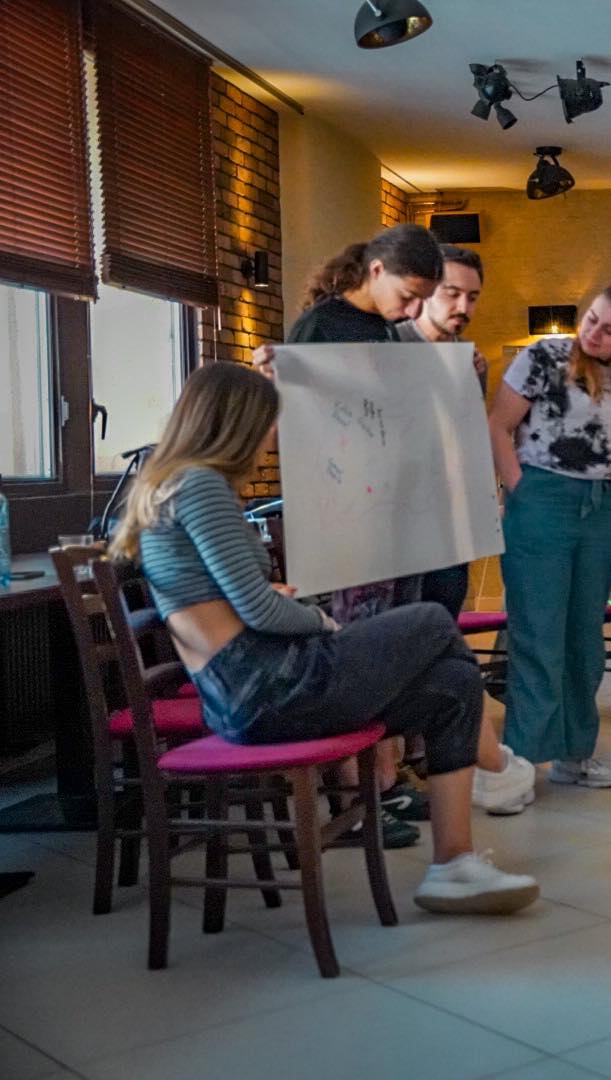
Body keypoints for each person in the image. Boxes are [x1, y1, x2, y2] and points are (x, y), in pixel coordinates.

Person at [109, 363, 538, 915]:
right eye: (267, 422)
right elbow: (257, 608)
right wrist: (323, 623)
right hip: (270, 685)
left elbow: (230, 599)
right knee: (433, 620)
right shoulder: (200, 487)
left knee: (454, 683)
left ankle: (454, 865)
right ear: (234, 423)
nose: (272, 435)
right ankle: (494, 770)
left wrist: (275, 602)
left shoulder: (171, 488)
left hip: (247, 692)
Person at [252, 226, 536, 828]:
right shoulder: (321, 327)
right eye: (409, 296)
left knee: (394, 654)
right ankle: (361, 799)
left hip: (398, 520)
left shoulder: (385, 329)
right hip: (348, 522)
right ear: (375, 271)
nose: (412, 312)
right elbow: (309, 427)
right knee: (361, 652)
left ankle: (387, 782)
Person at [489, 283, 611, 789]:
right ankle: (522, 760)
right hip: (542, 495)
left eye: (610, 330)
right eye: (591, 320)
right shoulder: (545, 356)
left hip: (599, 503)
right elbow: (497, 426)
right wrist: (520, 489)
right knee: (538, 634)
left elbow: (608, 448)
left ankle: (574, 753)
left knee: (585, 639)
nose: (595, 334)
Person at [393, 244, 490, 618]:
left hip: (450, 525)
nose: (463, 307)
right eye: (452, 293)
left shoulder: (471, 361)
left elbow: (467, 439)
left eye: (472, 297)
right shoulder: (390, 343)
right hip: (393, 523)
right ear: (427, 291)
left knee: (443, 622)